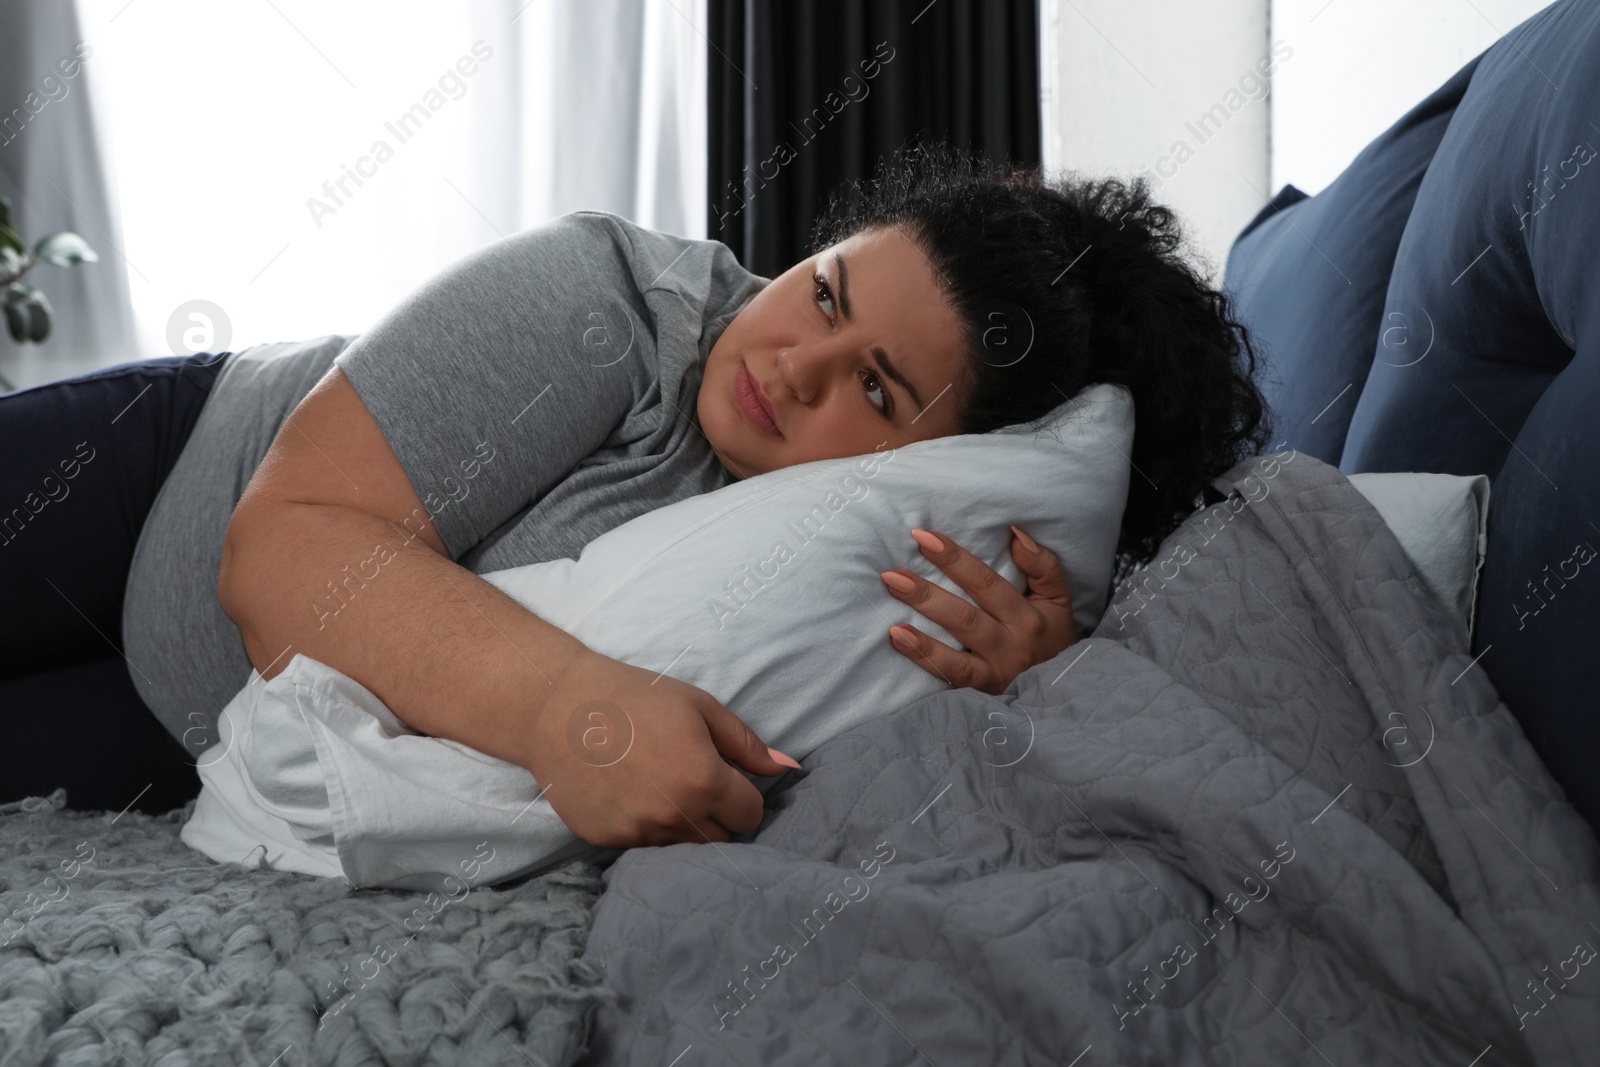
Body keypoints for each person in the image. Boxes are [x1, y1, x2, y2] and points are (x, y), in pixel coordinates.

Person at [0, 141, 1268, 844]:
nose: (790, 361)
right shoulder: (611, 299)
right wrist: (570, 710)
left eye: (872, 393)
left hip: (184, 729)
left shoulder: (857, 562)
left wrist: (1034, 688)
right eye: (822, 290)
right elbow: (279, 553)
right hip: (156, 479)